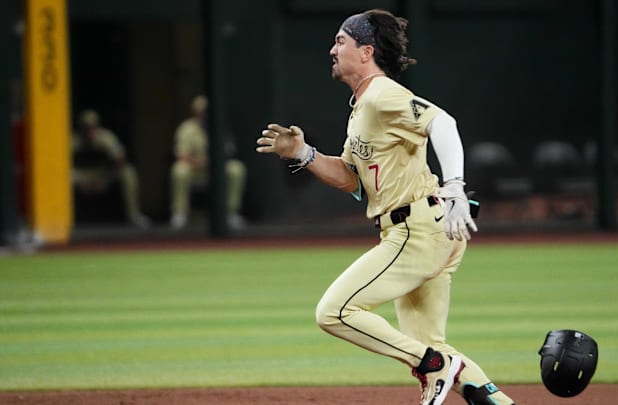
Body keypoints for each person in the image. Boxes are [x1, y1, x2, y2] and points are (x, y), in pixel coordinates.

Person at [256, 9, 514, 405]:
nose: (332, 49)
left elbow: (442, 123)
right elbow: (350, 178)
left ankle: (433, 366)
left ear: (366, 50)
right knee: (430, 344)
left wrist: (456, 187)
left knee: (334, 311)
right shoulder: (363, 106)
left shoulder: (381, 94)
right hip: (423, 227)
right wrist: (303, 152)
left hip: (416, 229)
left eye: (341, 41)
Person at [169, 95, 247, 230]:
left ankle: (230, 213)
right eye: (203, 111)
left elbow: (229, 152)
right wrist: (200, 162)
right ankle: (180, 213)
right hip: (195, 169)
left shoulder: (219, 127)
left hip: (216, 169)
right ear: (196, 112)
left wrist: (216, 162)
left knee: (236, 168)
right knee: (180, 170)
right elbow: (182, 155)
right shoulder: (187, 128)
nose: (205, 114)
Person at [72, 109, 151, 228]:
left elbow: (121, 161)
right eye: (86, 127)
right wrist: (83, 182)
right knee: (66, 177)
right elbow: (60, 166)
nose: (89, 130)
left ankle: (134, 215)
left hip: (104, 174)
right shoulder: (73, 140)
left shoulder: (106, 138)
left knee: (128, 172)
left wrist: (106, 180)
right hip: (83, 175)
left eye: (92, 127)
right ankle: (64, 218)